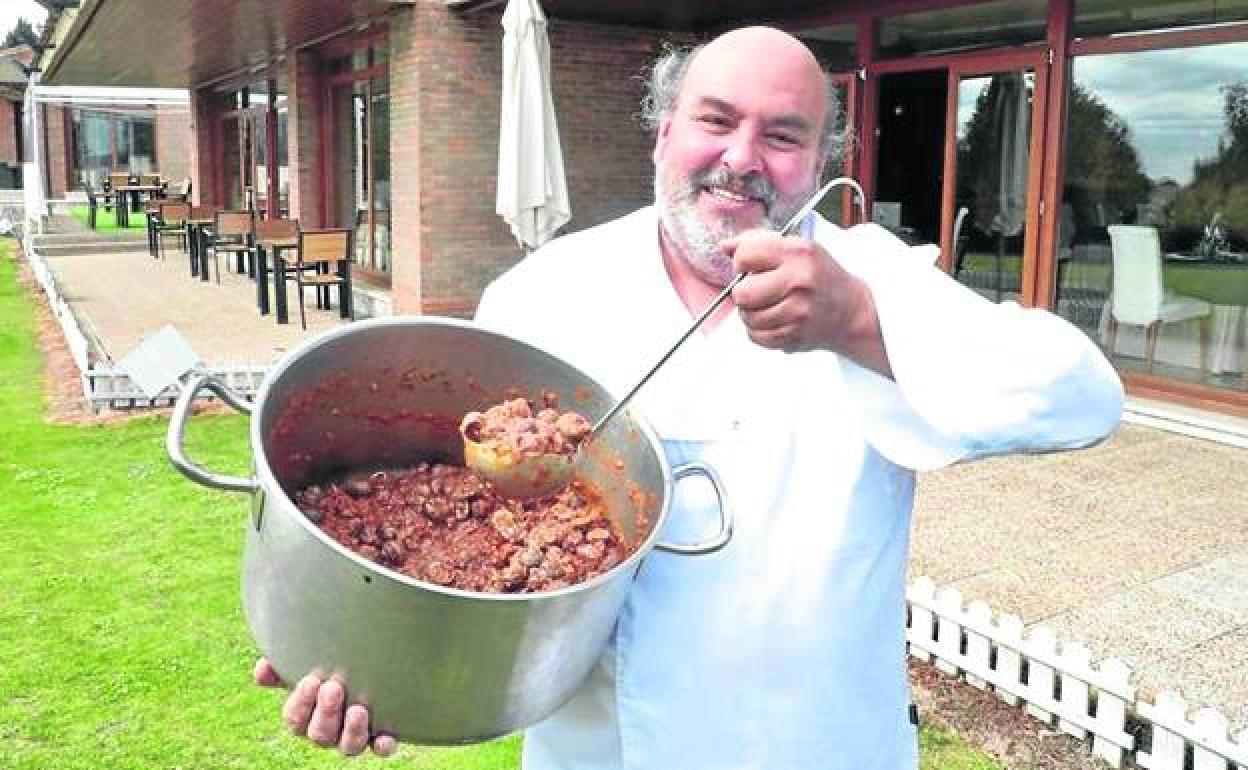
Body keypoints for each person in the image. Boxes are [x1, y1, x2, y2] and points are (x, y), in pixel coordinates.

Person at [254, 25, 1123, 768]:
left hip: (812, 743)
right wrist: (381, 658)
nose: (742, 159)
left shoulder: (871, 278)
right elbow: (477, 536)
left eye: (783, 135)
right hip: (597, 747)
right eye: (716, 121)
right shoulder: (545, 292)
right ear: (664, 132)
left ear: (820, 161)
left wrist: (862, 324)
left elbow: (1084, 397)